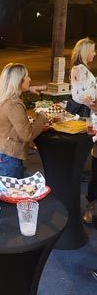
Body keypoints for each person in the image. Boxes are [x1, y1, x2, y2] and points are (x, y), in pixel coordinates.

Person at [0, 63, 47, 179]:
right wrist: (41, 117)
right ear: (19, 81)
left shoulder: (0, 97)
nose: (30, 79)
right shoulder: (13, 105)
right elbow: (28, 135)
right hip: (7, 155)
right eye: (27, 76)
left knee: (4, 188)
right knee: (12, 191)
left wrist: (29, 89)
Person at [68, 38, 97, 223]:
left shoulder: (81, 68)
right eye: (93, 50)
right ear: (85, 50)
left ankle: (90, 205)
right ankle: (90, 206)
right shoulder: (80, 68)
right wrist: (92, 104)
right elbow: (80, 95)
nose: (95, 53)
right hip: (91, 117)